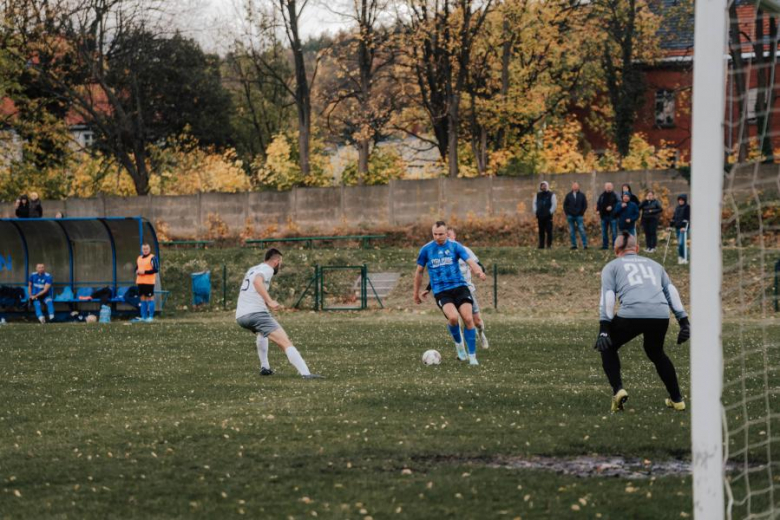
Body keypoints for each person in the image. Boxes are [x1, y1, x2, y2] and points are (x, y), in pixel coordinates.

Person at [594, 231, 690, 412]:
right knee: (656, 352)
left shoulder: (612, 266)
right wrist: (684, 321)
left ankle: (618, 391)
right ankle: (677, 400)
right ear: (636, 249)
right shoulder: (655, 265)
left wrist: (604, 327)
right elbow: (671, 291)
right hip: (660, 314)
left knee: (607, 347)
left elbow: (608, 296)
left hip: (631, 313)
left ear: (616, 250)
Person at [236, 248, 323, 379]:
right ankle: (306, 373)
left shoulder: (252, 269)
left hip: (241, 316)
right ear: (276, 261)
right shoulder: (267, 269)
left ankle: (265, 367)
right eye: (280, 263)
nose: (280, 266)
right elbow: (257, 282)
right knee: (285, 341)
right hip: (256, 314)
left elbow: (252, 289)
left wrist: (265, 303)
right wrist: (269, 301)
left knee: (262, 333)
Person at [414, 221, 486, 365]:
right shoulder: (426, 249)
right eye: (435, 234)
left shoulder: (455, 246)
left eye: (441, 234)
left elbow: (470, 261)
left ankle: (472, 357)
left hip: (460, 287)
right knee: (453, 318)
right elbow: (419, 271)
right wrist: (416, 293)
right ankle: (460, 347)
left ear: (447, 233)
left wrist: (478, 271)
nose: (437, 237)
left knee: (468, 319)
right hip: (441, 291)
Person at [132, 243, 159, 323]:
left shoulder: (153, 258)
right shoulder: (139, 258)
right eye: (144, 249)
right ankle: (144, 317)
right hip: (140, 282)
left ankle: (150, 317)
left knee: (150, 298)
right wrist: (136, 271)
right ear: (141, 250)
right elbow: (136, 268)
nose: (145, 250)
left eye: (147, 249)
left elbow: (156, 269)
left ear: (149, 249)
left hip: (149, 282)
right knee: (142, 298)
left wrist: (144, 272)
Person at [563, 181, 588, 250]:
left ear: (578, 187)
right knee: (572, 231)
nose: (575, 187)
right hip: (570, 216)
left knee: (581, 229)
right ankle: (574, 245)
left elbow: (585, 205)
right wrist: (567, 213)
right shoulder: (568, 195)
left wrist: (581, 212)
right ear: (572, 187)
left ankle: (585, 244)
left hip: (579, 216)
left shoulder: (582, 195)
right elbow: (565, 205)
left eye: (576, 186)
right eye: (574, 186)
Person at [533, 181, 556, 249]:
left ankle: (549, 245)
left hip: (548, 216)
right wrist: (536, 211)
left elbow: (554, 204)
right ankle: (541, 245)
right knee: (541, 231)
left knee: (549, 231)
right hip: (540, 216)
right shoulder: (537, 195)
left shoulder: (551, 194)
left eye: (545, 185)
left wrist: (550, 212)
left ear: (547, 186)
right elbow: (534, 203)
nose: (543, 187)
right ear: (540, 187)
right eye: (542, 185)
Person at [596, 183, 619, 249]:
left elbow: (618, 203)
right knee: (604, 232)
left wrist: (612, 207)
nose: (608, 188)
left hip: (613, 216)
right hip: (604, 216)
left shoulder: (615, 195)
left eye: (610, 186)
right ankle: (605, 246)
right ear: (605, 187)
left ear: (612, 187)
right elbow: (598, 204)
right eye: (607, 186)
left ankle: (614, 246)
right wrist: (598, 210)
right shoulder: (602, 195)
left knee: (614, 232)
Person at [671, 194, 690, 265]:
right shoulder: (677, 208)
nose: (680, 201)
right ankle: (680, 257)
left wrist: (684, 226)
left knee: (682, 243)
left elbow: (687, 218)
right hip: (677, 227)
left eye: (682, 200)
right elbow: (674, 217)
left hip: (683, 228)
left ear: (684, 200)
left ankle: (685, 257)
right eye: (679, 200)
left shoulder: (687, 207)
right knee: (679, 244)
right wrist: (671, 225)